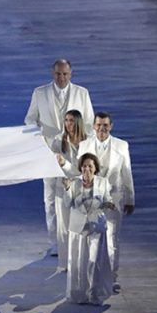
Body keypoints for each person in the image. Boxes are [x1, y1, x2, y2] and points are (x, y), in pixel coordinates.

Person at [24, 59, 95, 257]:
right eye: (58, 74)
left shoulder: (82, 93)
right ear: (52, 73)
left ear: (71, 74)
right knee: (50, 198)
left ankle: (76, 238)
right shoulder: (40, 93)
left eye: (65, 74)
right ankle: (55, 242)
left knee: (75, 196)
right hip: (49, 152)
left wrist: (83, 148)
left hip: (74, 152)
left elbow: (89, 122)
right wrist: (38, 137)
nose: (62, 78)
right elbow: (30, 119)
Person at [79, 112, 134, 291]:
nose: (101, 129)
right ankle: (93, 278)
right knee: (91, 238)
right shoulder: (84, 145)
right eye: (98, 125)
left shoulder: (121, 145)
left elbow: (126, 173)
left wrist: (130, 198)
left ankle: (112, 277)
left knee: (112, 238)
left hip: (115, 197)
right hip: (91, 198)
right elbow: (79, 173)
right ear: (93, 126)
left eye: (105, 126)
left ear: (111, 126)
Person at [65, 153, 116, 305]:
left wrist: (109, 204)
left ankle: (94, 293)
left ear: (95, 168)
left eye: (90, 166)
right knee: (79, 262)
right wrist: (68, 189)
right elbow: (68, 204)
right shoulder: (74, 183)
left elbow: (108, 199)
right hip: (78, 227)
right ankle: (79, 294)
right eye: (84, 166)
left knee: (94, 261)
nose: (87, 169)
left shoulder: (103, 182)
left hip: (96, 226)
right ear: (80, 168)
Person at [51, 109, 87, 272]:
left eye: (71, 121)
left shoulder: (87, 142)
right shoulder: (59, 141)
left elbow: (85, 168)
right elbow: (53, 165)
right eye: (66, 120)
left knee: (79, 226)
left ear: (78, 122)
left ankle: (79, 261)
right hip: (62, 187)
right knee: (63, 227)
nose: (68, 124)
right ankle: (64, 263)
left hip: (81, 188)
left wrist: (68, 168)